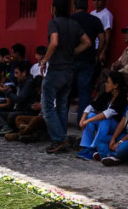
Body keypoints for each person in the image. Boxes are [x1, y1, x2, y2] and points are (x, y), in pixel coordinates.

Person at [39, 0, 91, 154]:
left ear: (54, 8)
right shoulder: (74, 24)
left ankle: (59, 138)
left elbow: (54, 42)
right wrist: (73, 52)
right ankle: (61, 139)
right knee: (62, 107)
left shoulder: (53, 22)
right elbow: (87, 42)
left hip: (56, 69)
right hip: (69, 70)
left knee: (47, 107)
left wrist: (44, 60)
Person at [76, 70, 127, 159]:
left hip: (116, 127)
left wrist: (86, 121)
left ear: (115, 85)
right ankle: (86, 146)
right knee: (90, 115)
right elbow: (91, 106)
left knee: (104, 120)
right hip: (105, 125)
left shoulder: (122, 98)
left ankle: (94, 148)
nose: (106, 84)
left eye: (108, 82)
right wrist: (83, 119)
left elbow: (106, 114)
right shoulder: (108, 94)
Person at [70, 0, 103, 120]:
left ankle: (62, 119)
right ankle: (81, 120)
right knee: (85, 92)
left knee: (67, 89)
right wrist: (97, 53)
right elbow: (102, 38)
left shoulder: (70, 19)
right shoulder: (95, 20)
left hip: (71, 59)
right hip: (88, 59)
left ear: (74, 6)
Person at [91, 0, 114, 66]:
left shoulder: (107, 14)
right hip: (91, 46)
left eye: (99, 0)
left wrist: (103, 52)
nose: (96, 2)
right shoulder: (92, 13)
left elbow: (108, 35)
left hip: (99, 48)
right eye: (94, 0)